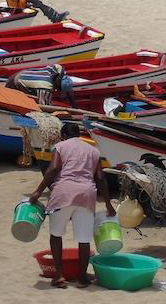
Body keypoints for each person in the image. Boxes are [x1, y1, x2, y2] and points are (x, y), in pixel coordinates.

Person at [28, 122, 115, 289]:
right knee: (84, 239)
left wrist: (38, 191)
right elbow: (100, 178)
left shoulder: (60, 147)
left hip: (63, 193)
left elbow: (54, 169)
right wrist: (108, 204)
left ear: (63, 136)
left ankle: (59, 275)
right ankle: (82, 278)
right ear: (79, 135)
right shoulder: (93, 150)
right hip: (87, 195)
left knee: (56, 235)